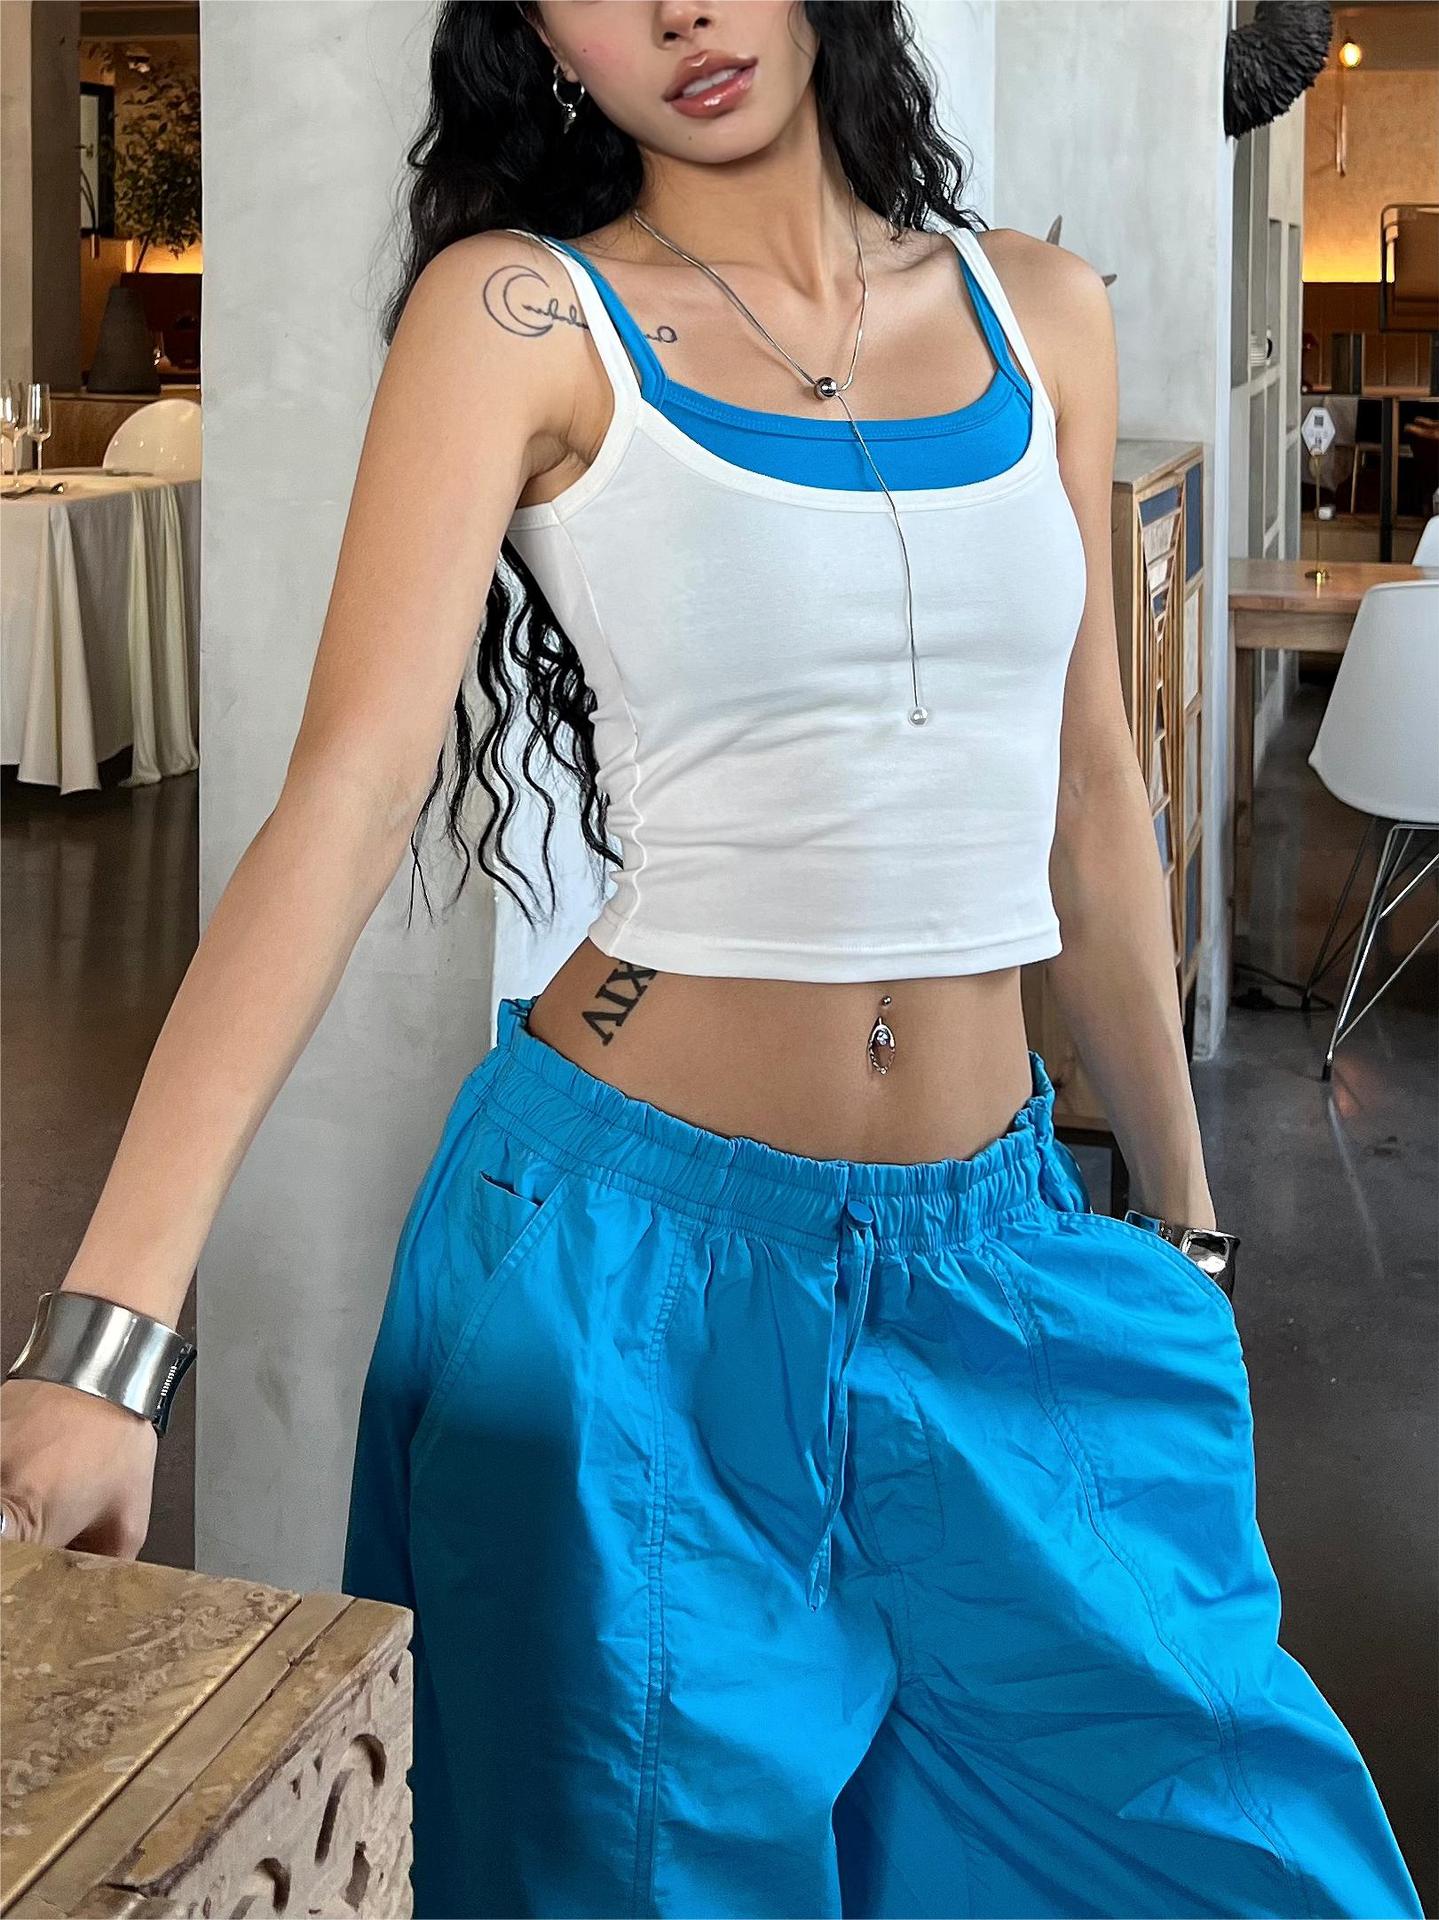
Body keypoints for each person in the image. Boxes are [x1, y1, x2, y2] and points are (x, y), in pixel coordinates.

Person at [0, 5, 1424, 1918]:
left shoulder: (1042, 313)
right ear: (538, 37)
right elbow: (343, 799)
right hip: (620, 1284)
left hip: (995, 1256)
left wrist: (1185, 1232)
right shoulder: (521, 319)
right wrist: (105, 1348)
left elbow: (1094, 796)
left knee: (1238, 1857)